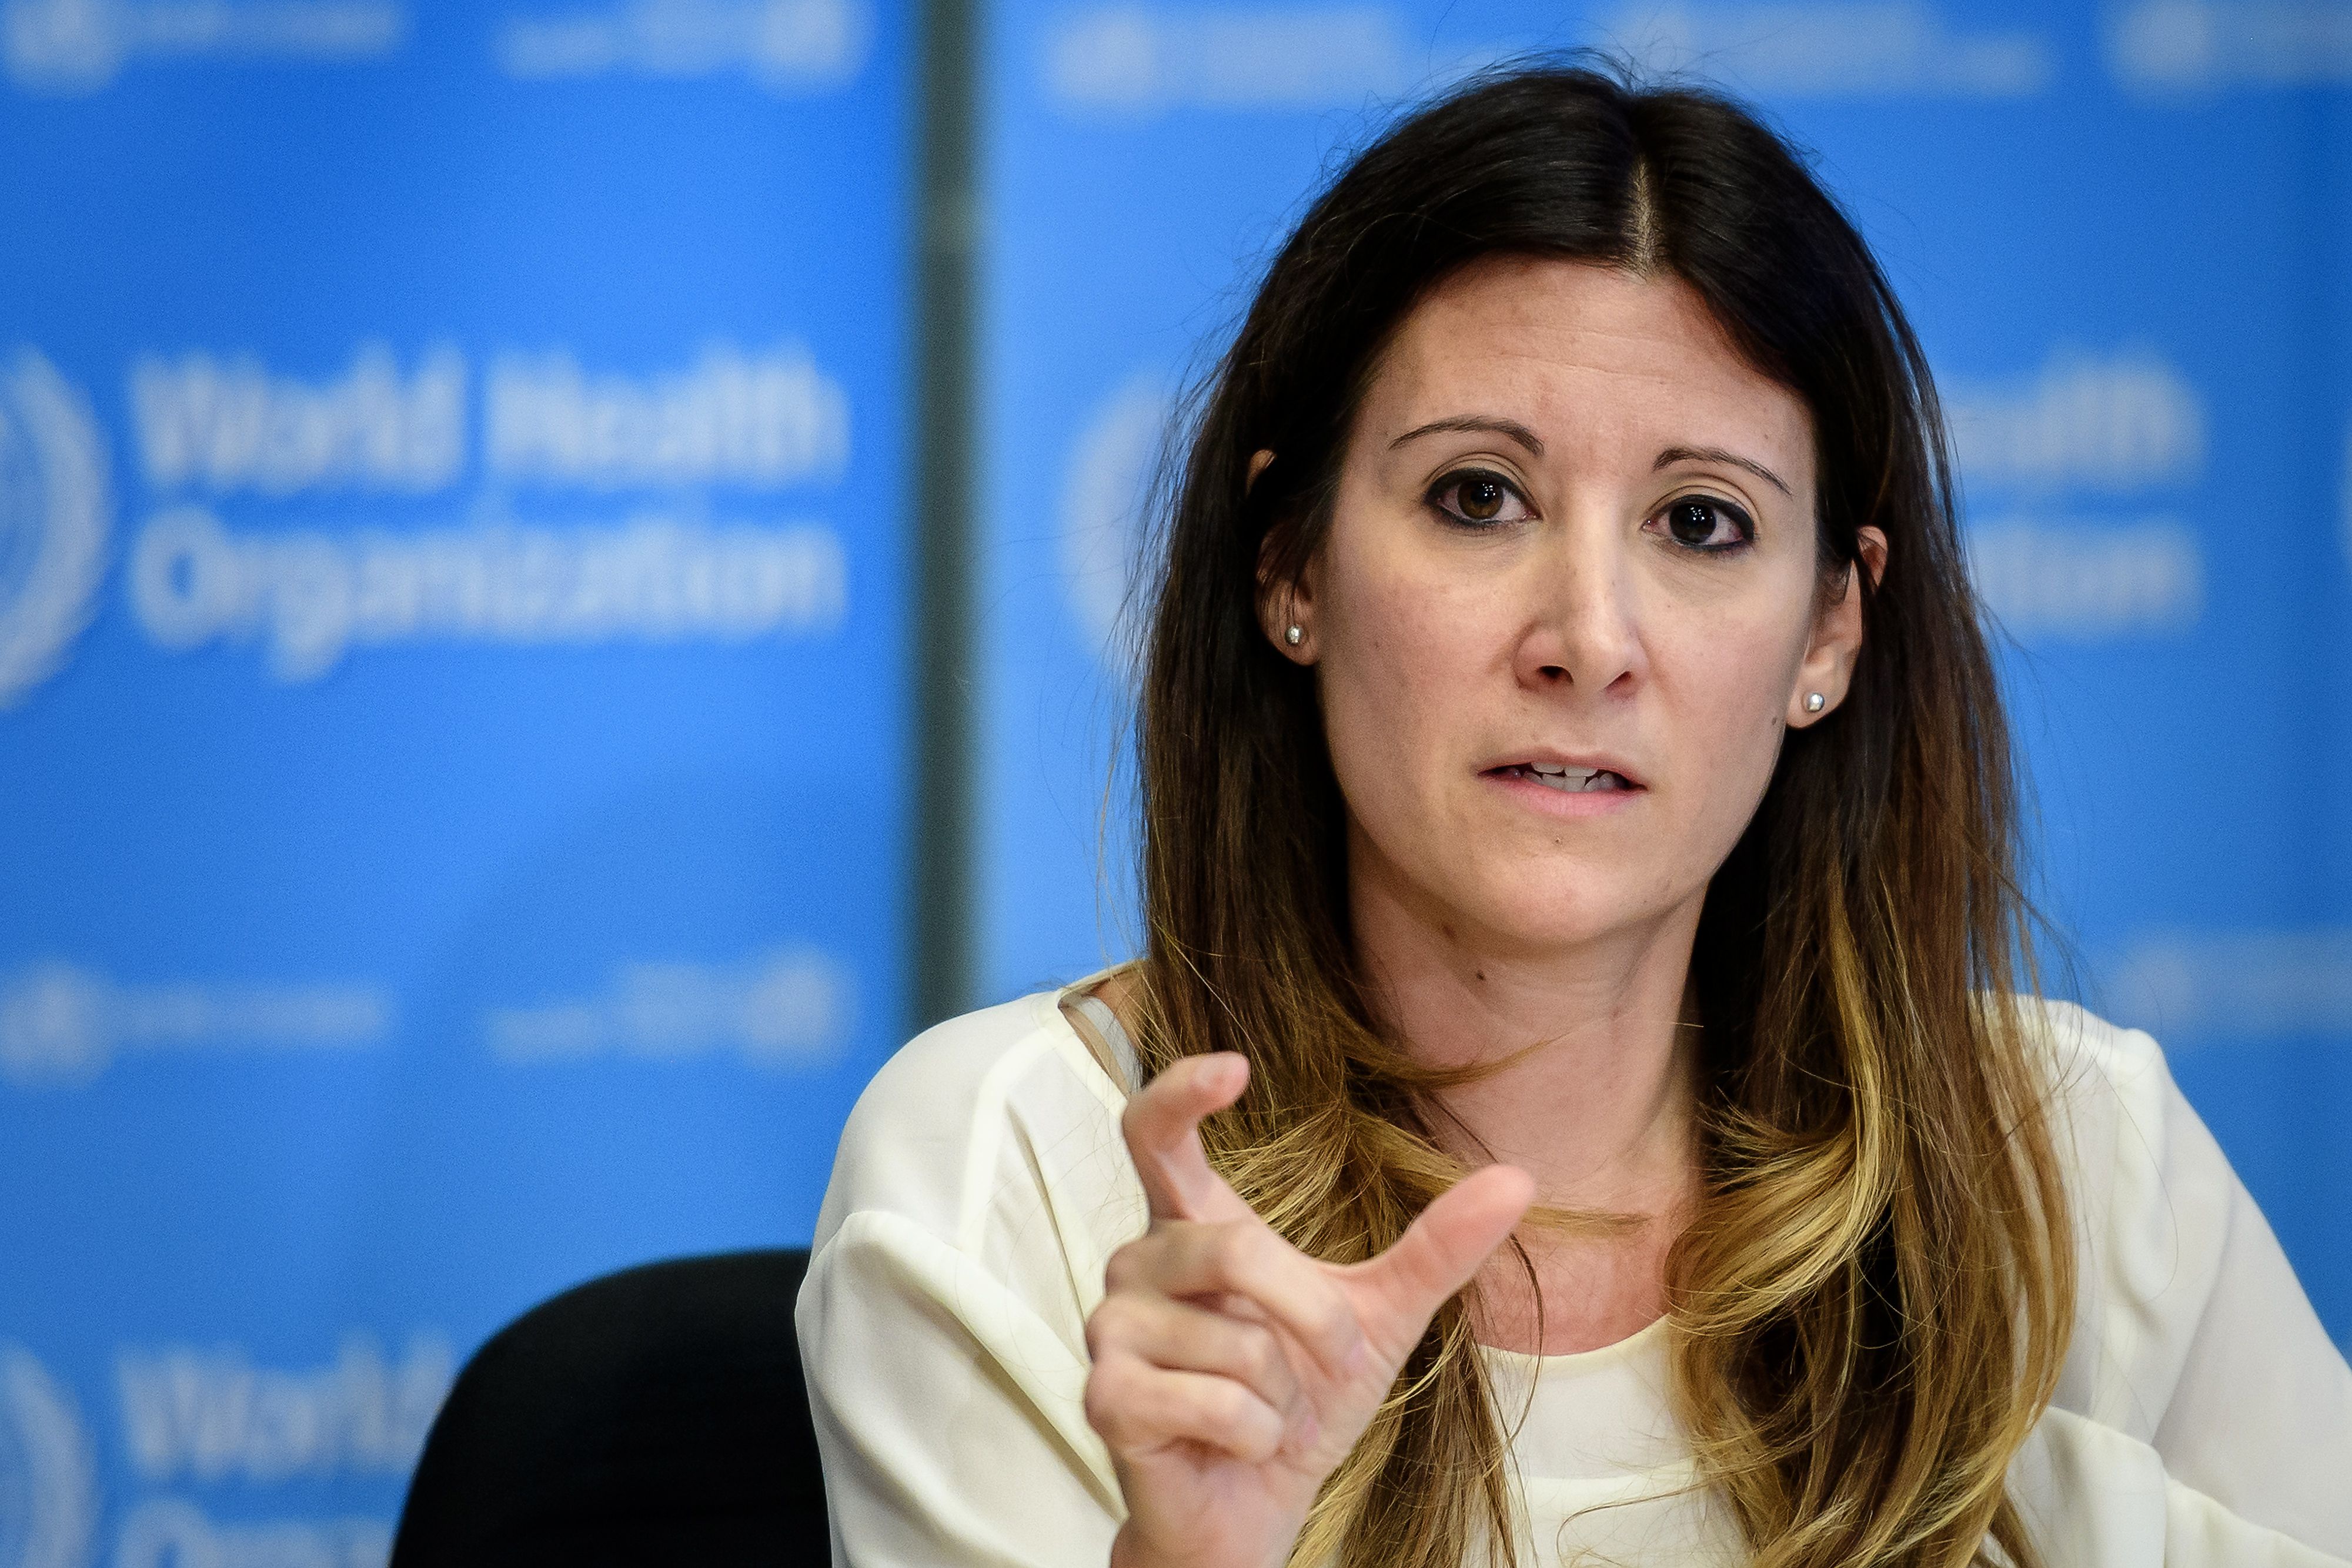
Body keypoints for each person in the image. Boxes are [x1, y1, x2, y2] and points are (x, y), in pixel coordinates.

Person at [796, 62, 2352, 1568]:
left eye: (1700, 523)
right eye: (1479, 496)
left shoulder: (2078, 1173)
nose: (1589, 635)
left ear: (1827, 636)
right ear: (1290, 569)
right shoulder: (1020, 1177)